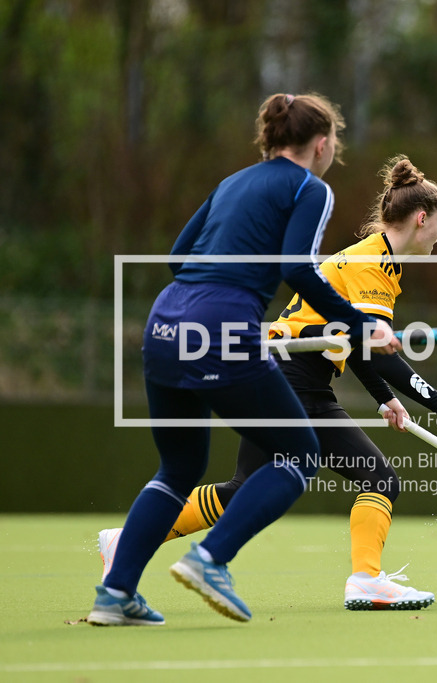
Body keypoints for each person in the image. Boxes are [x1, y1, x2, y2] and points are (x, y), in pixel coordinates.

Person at [98, 155, 437, 611]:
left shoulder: (381, 264)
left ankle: (126, 540)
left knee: (243, 487)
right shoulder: (370, 264)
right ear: (421, 218)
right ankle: (365, 581)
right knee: (377, 477)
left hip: (301, 378)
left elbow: (356, 343)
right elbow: (376, 348)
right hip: (296, 379)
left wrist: (383, 400)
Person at [87, 93, 400, 627]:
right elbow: (298, 270)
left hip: (164, 325)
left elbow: (177, 257)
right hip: (221, 329)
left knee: (179, 467)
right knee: (299, 452)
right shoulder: (309, 188)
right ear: (321, 144)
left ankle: (115, 594)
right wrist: (358, 322)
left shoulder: (232, 182)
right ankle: (211, 560)